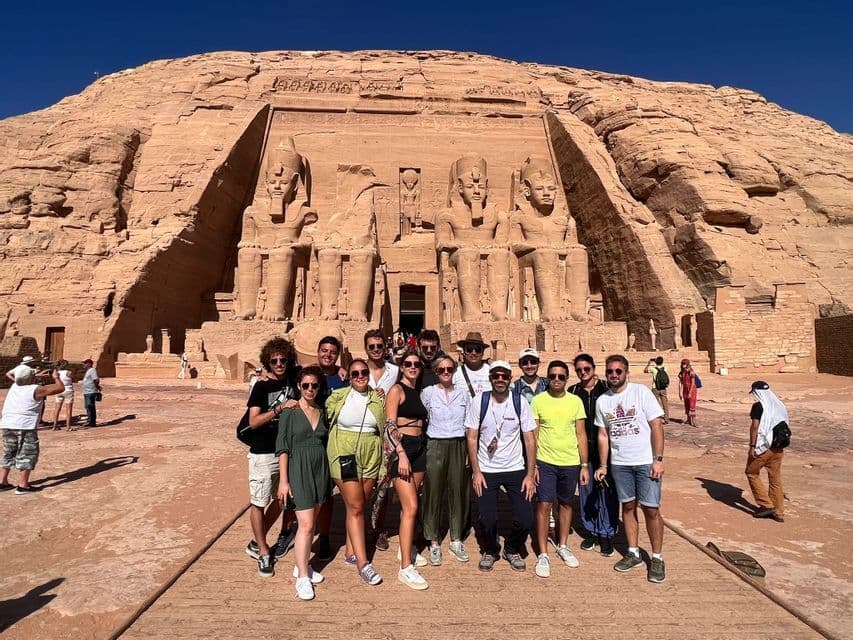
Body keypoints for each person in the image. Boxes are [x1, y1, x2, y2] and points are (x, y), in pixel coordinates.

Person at [594, 355, 667, 583]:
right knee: (627, 506)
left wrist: (658, 459)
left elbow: (656, 425)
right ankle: (633, 552)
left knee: (651, 509)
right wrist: (604, 464)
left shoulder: (641, 392)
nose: (614, 375)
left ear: (626, 372)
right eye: (610, 372)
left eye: (618, 371)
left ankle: (656, 557)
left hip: (645, 460)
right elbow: (603, 434)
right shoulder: (602, 401)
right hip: (620, 462)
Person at [466, 360, 537, 572]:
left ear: (509, 379)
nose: (500, 379)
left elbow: (530, 440)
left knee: (526, 518)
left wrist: (530, 474)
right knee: (487, 519)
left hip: (515, 468)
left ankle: (512, 547)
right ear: (490, 378)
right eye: (496, 376)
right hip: (487, 469)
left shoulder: (519, 401)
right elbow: (471, 437)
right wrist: (476, 471)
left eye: (504, 376)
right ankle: (491, 549)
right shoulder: (480, 401)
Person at [326, 359, 385, 586]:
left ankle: (350, 551)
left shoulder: (378, 398)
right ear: (348, 377)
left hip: (371, 453)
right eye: (355, 373)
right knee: (357, 506)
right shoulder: (338, 396)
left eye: (363, 372)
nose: (360, 376)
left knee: (359, 504)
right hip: (345, 453)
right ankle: (363, 563)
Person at [244, 337, 299, 578]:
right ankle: (264, 551)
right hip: (263, 451)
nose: (279, 363)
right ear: (268, 361)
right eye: (274, 360)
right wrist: (278, 409)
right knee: (259, 500)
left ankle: (258, 539)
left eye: (283, 360)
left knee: (284, 499)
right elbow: (253, 421)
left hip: (286, 451)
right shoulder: (261, 387)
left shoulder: (293, 380)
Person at [530, 360, 589, 578]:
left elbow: (581, 433)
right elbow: (533, 435)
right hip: (545, 460)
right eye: (553, 376)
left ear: (566, 379)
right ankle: (543, 552)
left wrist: (584, 464)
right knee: (544, 504)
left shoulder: (575, 401)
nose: (556, 380)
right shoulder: (538, 401)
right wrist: (533, 464)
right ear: (547, 378)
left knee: (565, 503)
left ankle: (562, 545)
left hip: (570, 460)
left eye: (561, 376)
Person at [276, 365, 331, 600]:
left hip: (320, 470)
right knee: (306, 525)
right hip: (298, 469)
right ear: (299, 385)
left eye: (314, 385)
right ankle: (302, 579)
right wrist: (284, 481)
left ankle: (302, 565)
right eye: (306, 385)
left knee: (311, 523)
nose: (310, 389)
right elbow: (283, 447)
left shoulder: (322, 410)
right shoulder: (290, 410)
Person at [385, 350, 430, 590]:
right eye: (408, 364)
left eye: (416, 364)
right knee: (411, 506)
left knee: (410, 506)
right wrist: (401, 454)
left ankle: (408, 546)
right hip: (402, 450)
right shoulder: (396, 390)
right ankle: (405, 567)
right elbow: (390, 425)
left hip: (419, 447)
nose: (413, 367)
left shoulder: (417, 391)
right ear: (401, 367)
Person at [421, 356, 471, 566]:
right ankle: (433, 540)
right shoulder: (428, 393)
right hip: (435, 444)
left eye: (449, 368)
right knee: (433, 491)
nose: (446, 372)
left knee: (458, 490)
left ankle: (456, 538)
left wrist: (470, 451)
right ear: (435, 372)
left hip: (458, 443)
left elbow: (469, 423)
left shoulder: (463, 394)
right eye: (441, 369)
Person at [568, 354, 618, 556]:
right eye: (579, 370)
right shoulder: (573, 391)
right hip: (583, 450)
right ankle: (591, 530)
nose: (583, 373)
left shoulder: (607, 389)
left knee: (606, 491)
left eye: (586, 369)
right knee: (586, 491)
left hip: (606, 448)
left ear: (593, 368)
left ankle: (606, 532)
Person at [1, 366, 65, 494]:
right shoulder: (35, 390)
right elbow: (60, 388)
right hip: (25, 425)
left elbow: (25, 378)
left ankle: (2, 482)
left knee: (9, 452)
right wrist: (56, 377)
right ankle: (23, 485)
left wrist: (37, 374)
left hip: (8, 424)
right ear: (31, 378)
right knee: (28, 453)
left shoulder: (15, 387)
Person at [314, 335, 348, 561]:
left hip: (335, 441)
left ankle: (324, 535)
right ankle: (289, 532)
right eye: (324, 350)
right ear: (317, 352)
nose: (327, 354)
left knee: (326, 494)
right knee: (301, 492)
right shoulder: (307, 375)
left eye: (332, 352)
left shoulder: (343, 378)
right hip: (311, 441)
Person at [746, 381, 789, 523]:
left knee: (751, 472)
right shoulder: (779, 405)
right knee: (775, 477)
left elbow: (755, 427)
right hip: (779, 447)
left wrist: (752, 446)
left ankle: (766, 505)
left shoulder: (759, 406)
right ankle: (779, 512)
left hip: (764, 447)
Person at [453, 332, 491, 398]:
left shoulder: (491, 371)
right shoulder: (456, 372)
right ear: (464, 352)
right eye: (469, 349)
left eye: (478, 350)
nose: (473, 353)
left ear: (483, 353)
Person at [365, 329, 399, 398]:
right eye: (371, 347)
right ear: (365, 348)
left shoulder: (395, 371)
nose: (376, 349)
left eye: (379, 346)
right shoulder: (357, 370)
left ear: (384, 347)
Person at [643, 356, 670, 424]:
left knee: (655, 404)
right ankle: (666, 419)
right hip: (663, 388)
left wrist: (649, 363)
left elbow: (645, 371)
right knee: (665, 404)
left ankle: (657, 418)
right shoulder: (665, 368)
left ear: (656, 362)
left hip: (655, 388)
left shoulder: (653, 369)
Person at [52, 364, 75, 431]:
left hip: (59, 390)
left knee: (57, 408)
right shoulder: (68, 372)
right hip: (68, 390)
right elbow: (74, 378)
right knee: (68, 409)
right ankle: (68, 426)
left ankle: (55, 425)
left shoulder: (56, 373)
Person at [81, 359, 101, 427]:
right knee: (88, 406)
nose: (83, 365)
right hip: (87, 391)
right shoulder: (88, 371)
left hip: (91, 391)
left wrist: (97, 387)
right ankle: (90, 421)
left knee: (90, 406)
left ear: (89, 364)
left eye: (85, 363)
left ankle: (91, 421)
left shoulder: (92, 370)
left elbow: (96, 379)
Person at [678, 358, 698, 426]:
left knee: (692, 404)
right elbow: (681, 383)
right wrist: (680, 392)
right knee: (686, 404)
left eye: (684, 364)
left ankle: (693, 421)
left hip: (692, 390)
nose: (683, 365)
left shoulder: (691, 372)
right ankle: (688, 419)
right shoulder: (682, 373)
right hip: (685, 390)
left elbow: (693, 383)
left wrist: (690, 392)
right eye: (682, 364)